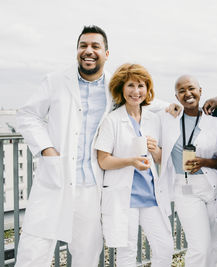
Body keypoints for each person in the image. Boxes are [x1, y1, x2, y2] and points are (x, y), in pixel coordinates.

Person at [15, 25, 169, 267]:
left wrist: (184, 106)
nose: (88, 51)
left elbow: (148, 100)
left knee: (86, 254)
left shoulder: (114, 87)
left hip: (91, 187)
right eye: (83, 46)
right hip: (54, 179)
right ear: (77, 51)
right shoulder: (55, 81)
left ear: (107, 54)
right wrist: (46, 148)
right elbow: (26, 115)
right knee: (33, 254)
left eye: (95, 46)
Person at [94, 63, 174, 267]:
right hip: (124, 196)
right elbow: (103, 160)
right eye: (130, 85)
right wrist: (130, 160)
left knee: (164, 247)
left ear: (148, 89)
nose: (136, 91)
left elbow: (158, 159)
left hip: (150, 195)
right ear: (121, 88)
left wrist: (155, 149)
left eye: (141, 86)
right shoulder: (112, 120)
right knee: (127, 253)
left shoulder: (152, 118)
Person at [158, 75, 217, 267]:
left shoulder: (215, 123)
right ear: (176, 96)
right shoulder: (169, 119)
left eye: (191, 88)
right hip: (185, 189)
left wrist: (205, 162)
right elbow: (144, 103)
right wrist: (168, 105)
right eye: (181, 91)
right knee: (199, 247)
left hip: (213, 187)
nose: (187, 94)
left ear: (200, 91)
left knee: (215, 245)